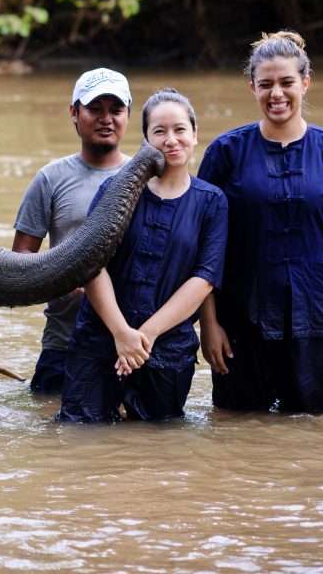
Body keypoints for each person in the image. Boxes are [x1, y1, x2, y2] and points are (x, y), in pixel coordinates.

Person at [198, 31, 323, 413]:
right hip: (240, 321)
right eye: (266, 84)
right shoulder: (225, 153)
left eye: (287, 82)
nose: (277, 94)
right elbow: (205, 244)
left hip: (319, 320)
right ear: (251, 86)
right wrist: (209, 323)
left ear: (305, 83)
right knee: (237, 432)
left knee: (311, 435)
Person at [57, 89, 228, 422]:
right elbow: (93, 264)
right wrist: (121, 334)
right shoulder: (116, 189)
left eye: (180, 129)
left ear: (195, 134)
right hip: (100, 340)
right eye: (159, 132)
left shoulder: (212, 202)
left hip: (166, 348)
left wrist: (143, 337)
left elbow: (204, 278)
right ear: (146, 141)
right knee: (81, 441)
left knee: (157, 452)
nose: (171, 140)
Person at [12, 68, 132, 393]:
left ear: (128, 116)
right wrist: (61, 277)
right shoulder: (50, 179)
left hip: (128, 341)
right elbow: (20, 258)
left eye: (116, 110)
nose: (106, 118)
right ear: (74, 113)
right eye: (95, 109)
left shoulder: (143, 180)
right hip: (64, 340)